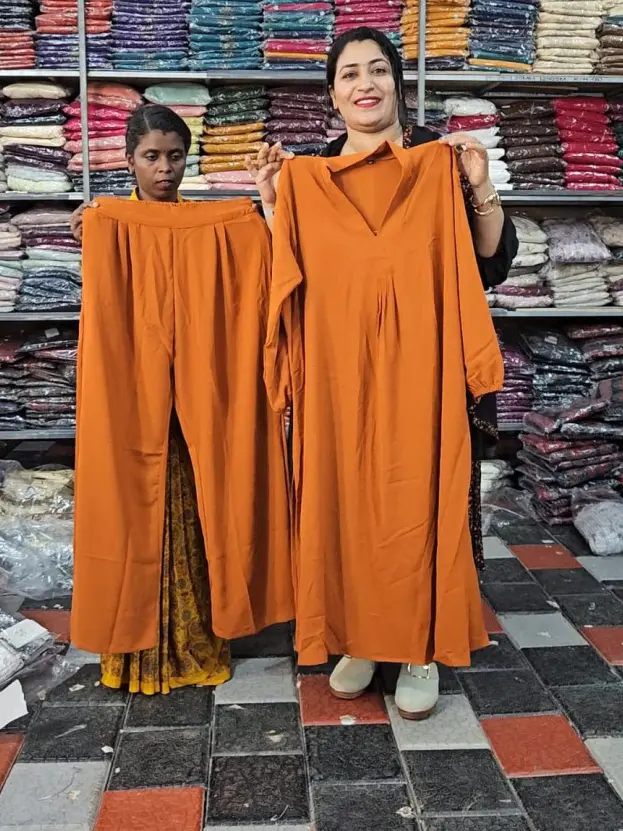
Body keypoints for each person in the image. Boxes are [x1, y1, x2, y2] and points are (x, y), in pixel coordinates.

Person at [247, 27, 517, 719]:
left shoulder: (438, 161)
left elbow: (489, 263)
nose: (364, 84)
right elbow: (285, 274)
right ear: (332, 95)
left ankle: (420, 644)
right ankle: (359, 636)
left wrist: (480, 188)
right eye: (348, 74)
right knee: (343, 500)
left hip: (424, 368)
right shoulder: (308, 173)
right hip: (339, 372)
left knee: (418, 499)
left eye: (376, 70)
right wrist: (275, 203)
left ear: (397, 81)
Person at [70, 104, 231, 694]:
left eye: (175, 157)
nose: (164, 169)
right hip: (130, 390)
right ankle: (133, 651)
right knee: (130, 510)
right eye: (151, 157)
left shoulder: (209, 227)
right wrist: (94, 232)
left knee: (194, 508)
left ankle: (194, 643)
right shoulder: (108, 224)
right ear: (129, 160)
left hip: (192, 403)